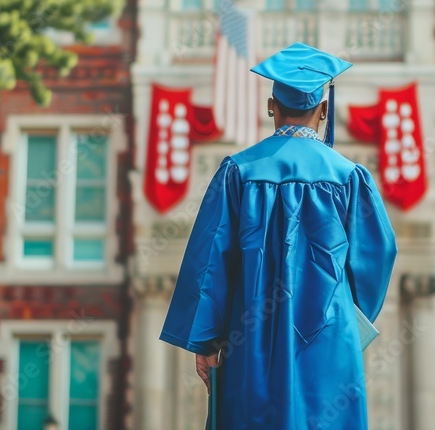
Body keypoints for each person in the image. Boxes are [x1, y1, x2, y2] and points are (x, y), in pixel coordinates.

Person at [159, 42, 398, 429]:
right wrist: (343, 318)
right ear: (323, 110)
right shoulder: (349, 176)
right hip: (329, 338)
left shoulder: (239, 171)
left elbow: (211, 262)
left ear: (271, 106)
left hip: (250, 336)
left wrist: (205, 341)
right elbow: (378, 256)